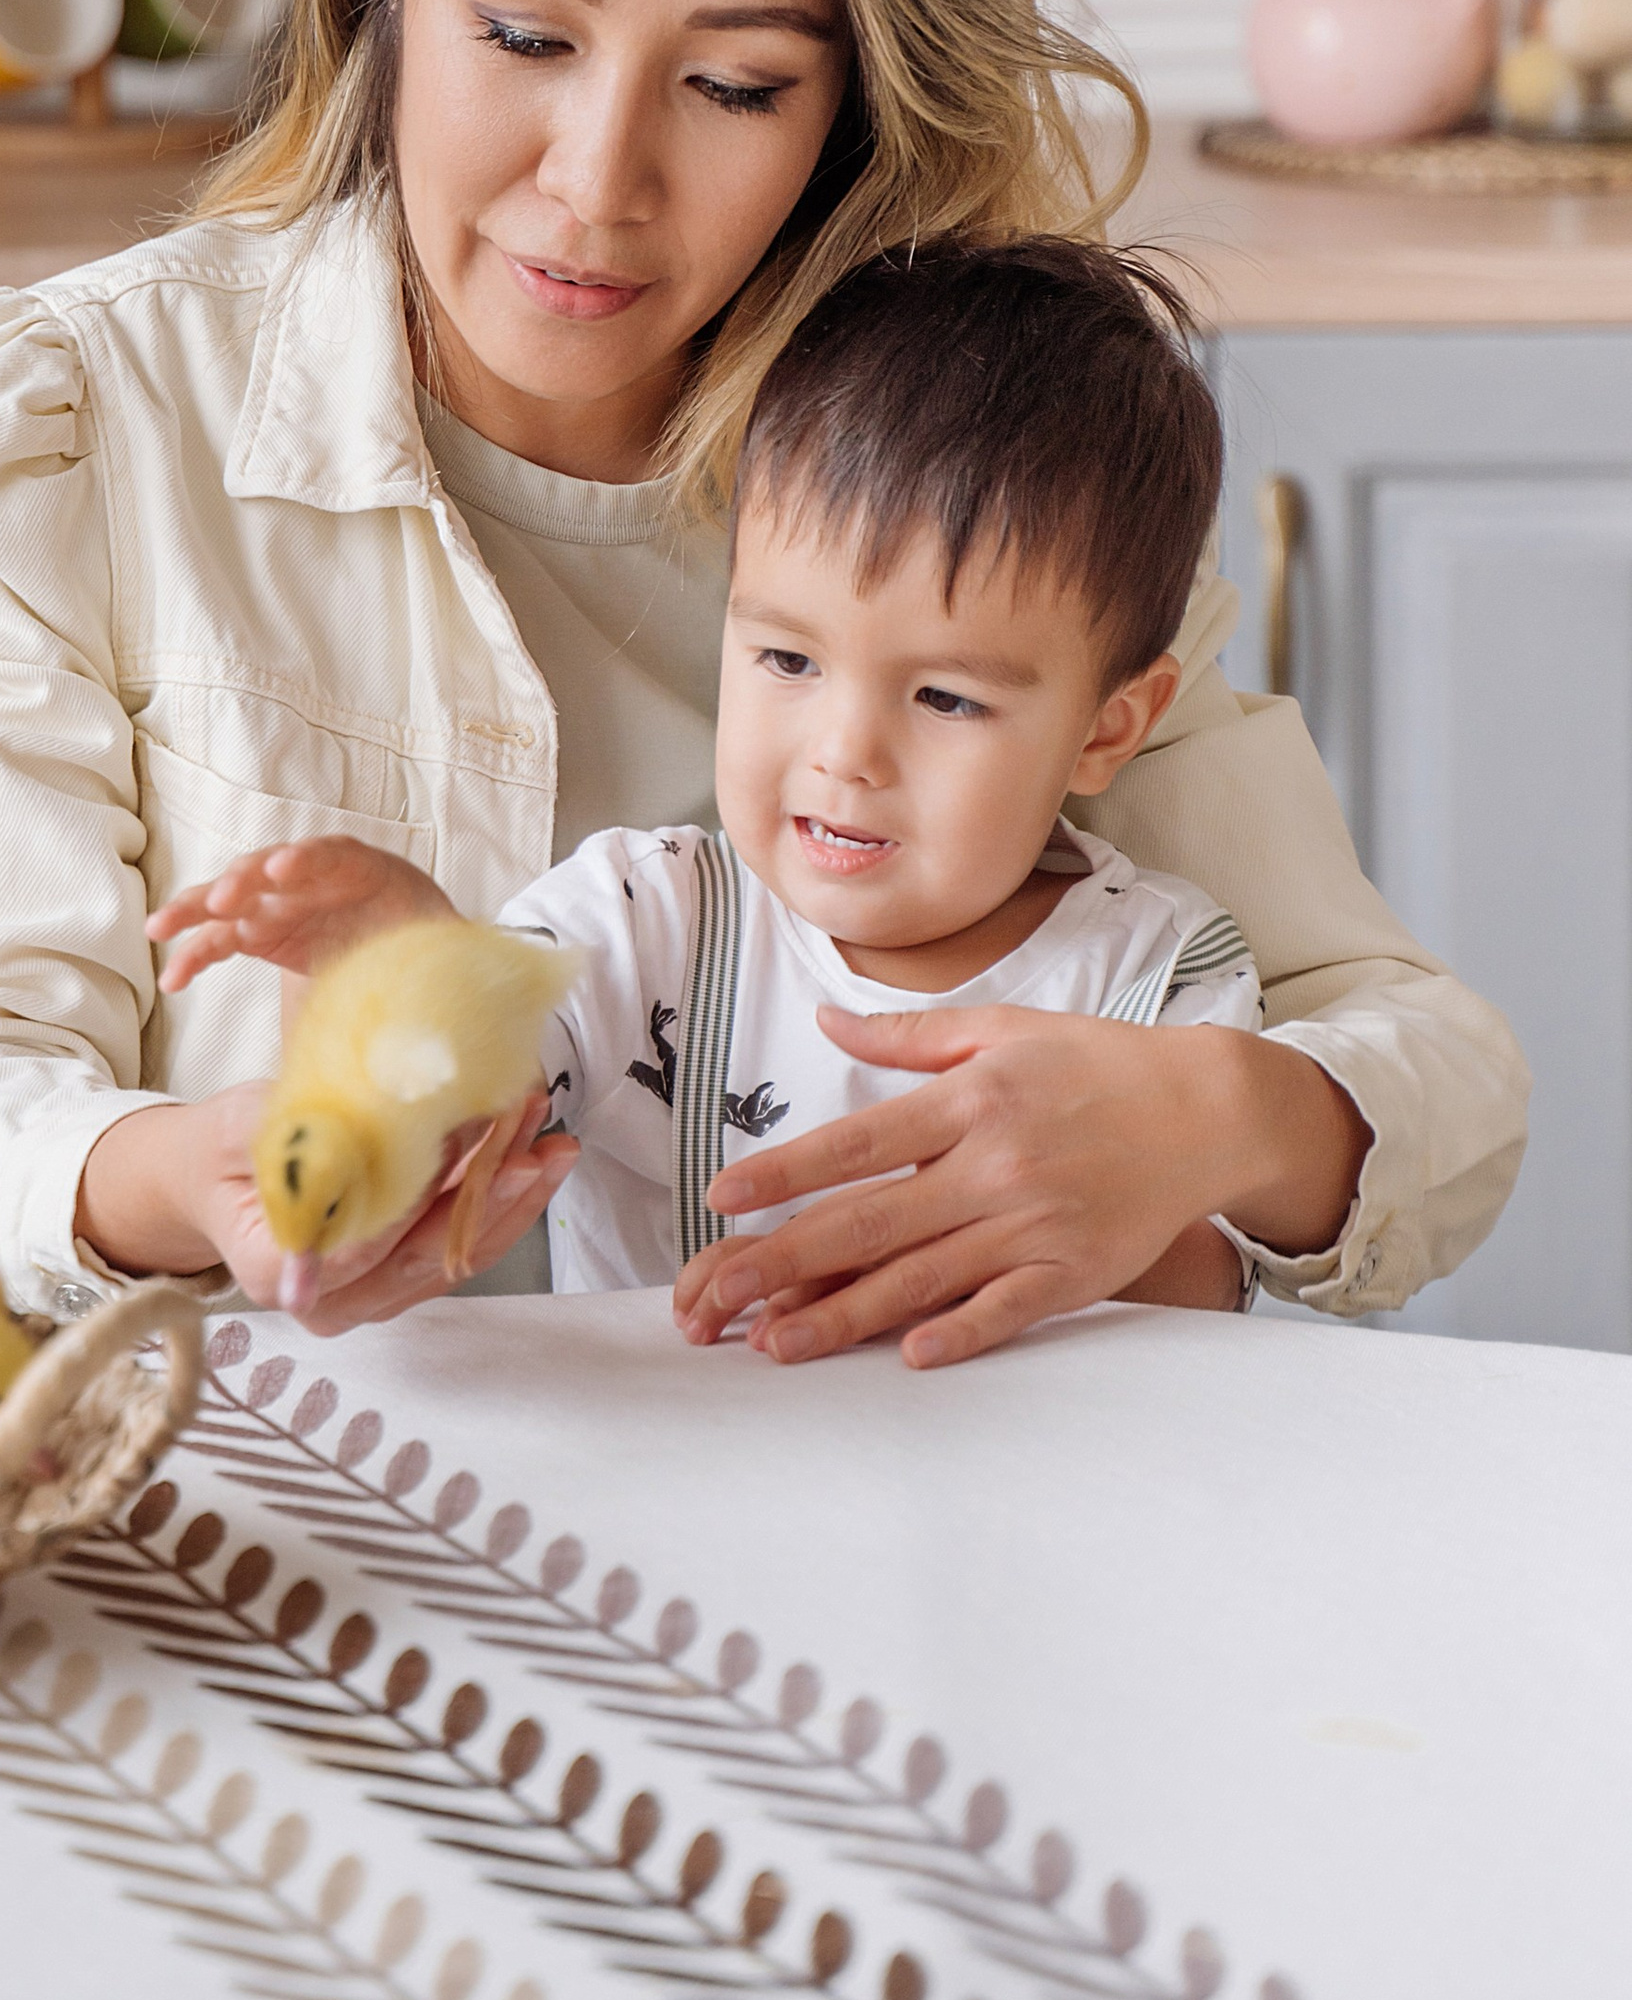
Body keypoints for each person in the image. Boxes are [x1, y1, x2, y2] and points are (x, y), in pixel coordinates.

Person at [0, 0, 1524, 1358]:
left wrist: (1211, 1124)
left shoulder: (966, 476)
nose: (595, 183)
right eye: (524, 34)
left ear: (853, 99)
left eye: (736, 87)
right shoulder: (55, 436)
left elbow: (1427, 1076)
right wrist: (183, 1175)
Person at [146, 240, 1275, 1366]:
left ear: (1109, 727)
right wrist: (394, 981)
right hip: (667, 1502)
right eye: (788, 661)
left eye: (942, 696)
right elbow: (472, 1093)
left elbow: (1213, 1294)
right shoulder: (646, 916)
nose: (844, 754)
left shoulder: (1158, 978)